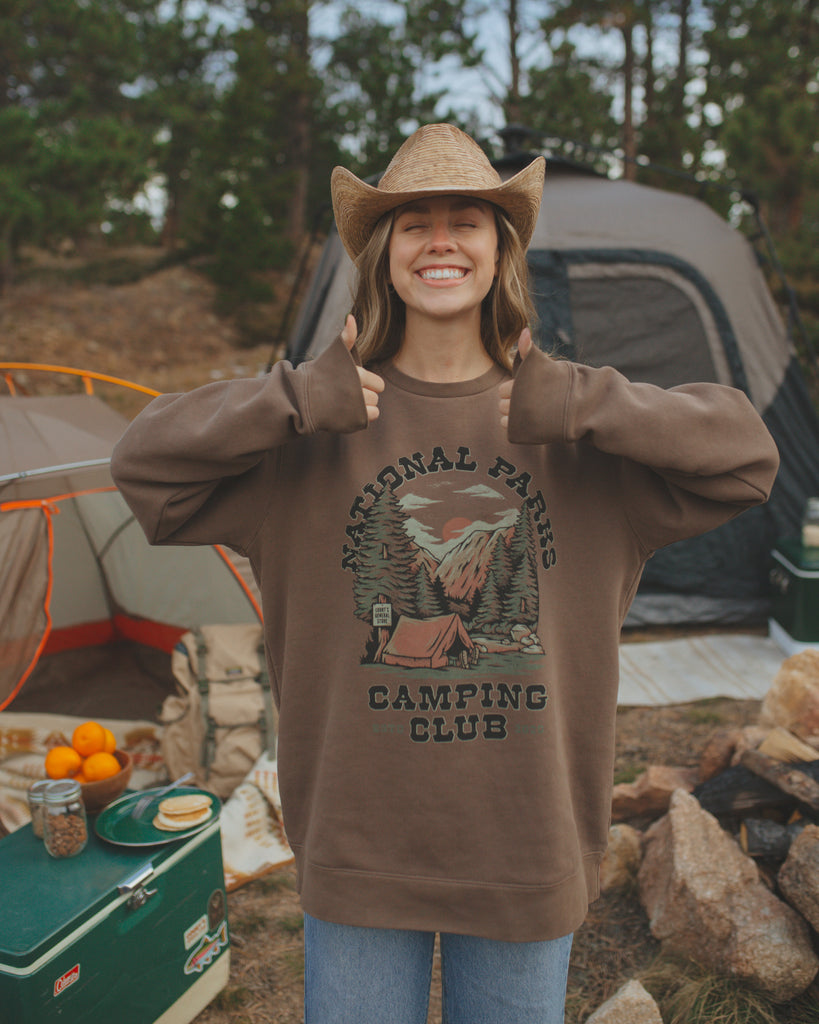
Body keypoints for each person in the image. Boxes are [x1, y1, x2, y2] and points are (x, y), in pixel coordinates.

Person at [111, 123, 780, 1023]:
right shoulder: (307, 432)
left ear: (500, 251)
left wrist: (580, 398)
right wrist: (295, 396)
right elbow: (144, 465)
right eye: (412, 221)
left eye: (466, 219)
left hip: (526, 848)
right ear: (381, 253)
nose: (439, 240)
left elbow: (745, 460)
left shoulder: (575, 429)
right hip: (358, 847)